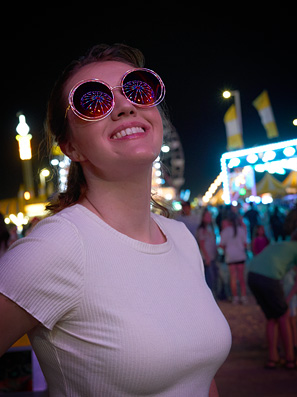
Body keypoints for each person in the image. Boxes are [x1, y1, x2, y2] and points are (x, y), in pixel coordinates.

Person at [0, 43, 231, 397]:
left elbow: (201, 377)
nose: (125, 105)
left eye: (138, 88)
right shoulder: (57, 247)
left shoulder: (180, 238)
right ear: (71, 147)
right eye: (93, 101)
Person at [247, 228, 297, 369]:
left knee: (272, 317)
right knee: (283, 315)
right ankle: (290, 358)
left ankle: (273, 358)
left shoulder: (282, 245)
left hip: (252, 275)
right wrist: (288, 298)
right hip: (269, 278)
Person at [220, 211, 247, 304]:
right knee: (241, 277)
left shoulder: (225, 231)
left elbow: (222, 245)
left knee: (233, 278)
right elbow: (245, 243)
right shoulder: (241, 229)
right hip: (240, 255)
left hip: (230, 257)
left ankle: (235, 297)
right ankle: (243, 296)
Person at [197, 208, 219, 297]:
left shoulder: (212, 227)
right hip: (207, 258)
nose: (209, 217)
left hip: (212, 256)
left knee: (213, 277)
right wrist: (207, 257)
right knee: (210, 278)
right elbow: (202, 244)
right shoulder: (202, 229)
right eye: (207, 216)